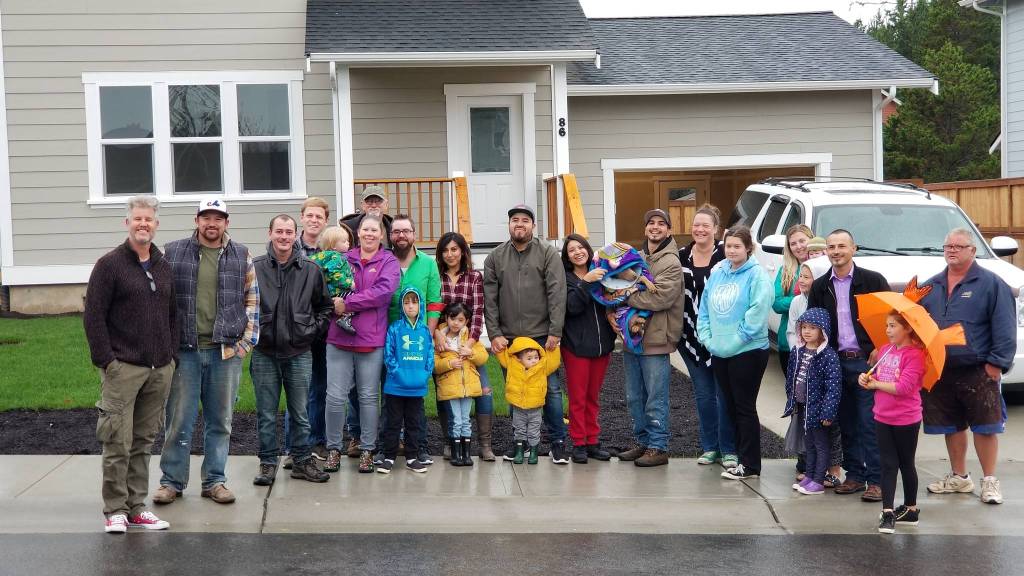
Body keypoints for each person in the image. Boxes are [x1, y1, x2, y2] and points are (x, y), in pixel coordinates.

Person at [155, 198, 259, 507]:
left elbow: (252, 301)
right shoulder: (173, 252)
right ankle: (171, 482)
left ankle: (215, 480)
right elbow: (159, 300)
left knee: (221, 422)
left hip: (224, 353)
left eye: (218, 218)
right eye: (206, 217)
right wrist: (164, 345)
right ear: (197, 220)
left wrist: (245, 344)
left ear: (227, 222)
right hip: (184, 352)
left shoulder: (241, 255)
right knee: (178, 420)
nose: (212, 223)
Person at [84, 195, 177, 534]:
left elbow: (173, 315)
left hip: (159, 369)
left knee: (143, 442)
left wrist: (171, 357)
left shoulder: (162, 266)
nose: (143, 224)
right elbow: (93, 316)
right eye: (137, 218)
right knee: (117, 442)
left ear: (156, 225)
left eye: (148, 219)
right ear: (127, 223)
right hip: (122, 368)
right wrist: (107, 361)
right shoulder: (109, 265)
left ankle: (137, 507)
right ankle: (115, 510)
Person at [920, 228, 1016, 505]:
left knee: (986, 426)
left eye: (958, 246)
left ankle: (989, 480)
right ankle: (959, 477)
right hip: (942, 369)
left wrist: (996, 364)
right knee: (952, 425)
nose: (952, 250)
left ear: (972, 251)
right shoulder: (932, 285)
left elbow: (1005, 326)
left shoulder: (991, 284)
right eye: (947, 246)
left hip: (979, 368)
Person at [807, 229, 890, 501]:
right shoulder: (820, 287)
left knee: (869, 423)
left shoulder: (873, 281)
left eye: (842, 246)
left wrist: (879, 346)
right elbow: (813, 325)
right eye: (831, 247)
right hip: (835, 364)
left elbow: (891, 318)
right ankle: (855, 475)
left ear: (853, 248)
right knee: (846, 424)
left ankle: (877, 481)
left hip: (867, 364)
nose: (836, 251)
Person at [250, 214, 333, 486]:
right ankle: (267, 462)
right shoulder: (255, 268)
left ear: (295, 234)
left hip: (298, 352)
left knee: (300, 412)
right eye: (279, 231)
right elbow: (243, 304)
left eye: (288, 232)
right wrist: (254, 333)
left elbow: (325, 307)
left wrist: (310, 332)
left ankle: (301, 460)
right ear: (270, 233)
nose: (284, 237)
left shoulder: (310, 269)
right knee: (266, 413)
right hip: (264, 352)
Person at [484, 204, 569, 464]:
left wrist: (555, 330)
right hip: (509, 339)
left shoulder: (547, 253)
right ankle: (519, 443)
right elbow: (490, 299)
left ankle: (557, 443)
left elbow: (557, 292)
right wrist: (494, 333)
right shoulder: (495, 257)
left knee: (551, 391)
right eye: (514, 220)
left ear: (533, 225)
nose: (519, 224)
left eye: (525, 220)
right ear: (509, 225)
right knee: (515, 391)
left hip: (542, 336)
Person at [323, 214, 400, 474]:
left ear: (381, 234)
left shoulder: (388, 261)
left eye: (374, 230)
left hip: (370, 340)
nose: (369, 234)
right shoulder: (343, 258)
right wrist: (333, 302)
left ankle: (368, 449)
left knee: (368, 397)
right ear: (358, 233)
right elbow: (326, 285)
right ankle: (333, 449)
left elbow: (383, 293)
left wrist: (347, 303)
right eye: (365, 229)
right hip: (339, 337)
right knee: (335, 397)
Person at [698, 225, 772, 480]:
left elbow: (757, 313)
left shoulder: (757, 275)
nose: (731, 250)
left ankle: (750, 465)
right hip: (719, 351)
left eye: (737, 246)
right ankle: (740, 459)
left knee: (744, 407)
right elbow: (704, 308)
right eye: (728, 246)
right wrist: (707, 338)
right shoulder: (718, 272)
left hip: (748, 352)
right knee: (728, 407)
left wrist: (733, 342)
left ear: (748, 248)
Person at [617, 209, 684, 468]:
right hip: (632, 337)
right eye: (651, 223)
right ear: (645, 228)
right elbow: (615, 282)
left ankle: (658, 446)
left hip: (656, 339)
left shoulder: (671, 262)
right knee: (635, 397)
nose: (655, 227)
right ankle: (643, 442)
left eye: (661, 224)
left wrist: (625, 294)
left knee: (655, 397)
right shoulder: (637, 257)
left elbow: (661, 298)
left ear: (669, 230)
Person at [677, 204, 737, 468]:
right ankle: (710, 447)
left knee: (725, 395)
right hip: (690, 336)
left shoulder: (726, 254)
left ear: (716, 229)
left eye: (705, 225)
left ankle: (730, 449)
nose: (700, 229)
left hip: (723, 337)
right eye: (696, 225)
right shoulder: (681, 256)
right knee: (704, 396)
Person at [858, 312, 927, 533]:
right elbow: (878, 377)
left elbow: (904, 387)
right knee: (887, 463)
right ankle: (887, 512)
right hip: (882, 415)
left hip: (906, 418)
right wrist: (867, 379)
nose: (887, 330)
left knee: (906, 463)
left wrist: (876, 385)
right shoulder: (885, 351)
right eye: (887, 325)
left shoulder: (915, 355)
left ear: (908, 328)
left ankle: (911, 509)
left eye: (893, 326)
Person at [385, 215, 443, 466]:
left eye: (406, 231)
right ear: (390, 236)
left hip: (417, 341)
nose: (401, 235)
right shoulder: (384, 260)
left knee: (415, 400)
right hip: (388, 337)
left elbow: (434, 302)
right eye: (396, 231)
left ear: (414, 234)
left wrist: (427, 335)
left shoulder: (428, 264)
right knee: (390, 397)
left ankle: (419, 447)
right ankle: (387, 447)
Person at [436, 232, 495, 461]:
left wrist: (469, 345)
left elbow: (478, 312)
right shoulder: (436, 276)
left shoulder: (473, 277)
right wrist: (437, 336)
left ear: (462, 251)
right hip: (442, 344)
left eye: (454, 249)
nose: (450, 254)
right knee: (446, 391)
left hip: (468, 342)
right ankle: (450, 443)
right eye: (445, 250)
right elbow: (432, 309)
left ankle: (485, 444)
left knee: (484, 390)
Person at [786, 256, 844, 487]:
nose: (807, 332)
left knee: (821, 444)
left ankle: (818, 480)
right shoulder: (798, 352)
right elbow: (792, 378)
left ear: (823, 331)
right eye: (804, 328)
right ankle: (809, 476)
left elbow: (833, 386)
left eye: (813, 328)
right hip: (803, 407)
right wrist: (792, 400)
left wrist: (827, 412)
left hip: (820, 410)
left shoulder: (827, 355)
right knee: (808, 444)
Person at [284, 197, 332, 468]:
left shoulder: (330, 249)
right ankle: (293, 447)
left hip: (324, 329)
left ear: (325, 221)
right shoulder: (289, 247)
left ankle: (316, 441)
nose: (314, 220)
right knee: (297, 390)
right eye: (310, 215)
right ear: (302, 217)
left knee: (321, 388)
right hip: (295, 330)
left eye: (319, 217)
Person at [562, 234, 616, 464]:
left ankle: (593, 441)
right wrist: (586, 282)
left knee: (593, 397)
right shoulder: (565, 278)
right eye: (572, 250)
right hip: (576, 346)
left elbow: (613, 300)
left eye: (581, 247)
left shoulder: (602, 272)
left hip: (602, 345)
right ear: (567, 256)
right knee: (578, 398)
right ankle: (578, 443)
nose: (577, 252)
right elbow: (572, 307)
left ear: (588, 249)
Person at [378, 287, 433, 474]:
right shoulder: (394, 328)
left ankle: (412, 457)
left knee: (413, 423)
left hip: (416, 387)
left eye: (414, 302)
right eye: (406, 302)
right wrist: (399, 375)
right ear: (401, 305)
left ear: (420, 305)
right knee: (393, 422)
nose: (410, 306)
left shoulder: (425, 330)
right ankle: (388, 457)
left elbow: (429, 356)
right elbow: (389, 355)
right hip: (396, 386)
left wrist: (424, 375)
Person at [434, 302, 489, 466]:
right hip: (450, 388)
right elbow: (434, 364)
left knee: (465, 420)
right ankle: (455, 454)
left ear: (466, 321)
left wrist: (471, 353)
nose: (455, 323)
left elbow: (483, 357)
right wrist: (449, 364)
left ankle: (466, 455)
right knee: (456, 421)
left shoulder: (469, 339)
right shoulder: (440, 340)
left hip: (468, 388)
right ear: (446, 318)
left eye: (460, 320)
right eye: (452, 319)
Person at [497, 337, 562, 464]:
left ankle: (533, 453)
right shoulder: (512, 365)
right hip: (518, 407)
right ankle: (520, 452)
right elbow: (504, 357)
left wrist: (553, 349)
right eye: (529, 358)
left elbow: (554, 363)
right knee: (519, 430)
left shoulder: (542, 367)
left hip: (535, 408)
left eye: (536, 357)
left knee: (534, 431)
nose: (534, 361)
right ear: (519, 359)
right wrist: (501, 348)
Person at [590, 243, 657, 353]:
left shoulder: (636, 264)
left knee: (641, 310)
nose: (632, 273)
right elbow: (606, 297)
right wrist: (611, 300)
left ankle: (639, 320)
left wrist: (646, 282)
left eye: (629, 268)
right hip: (621, 308)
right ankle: (633, 326)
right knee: (621, 317)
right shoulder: (609, 282)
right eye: (625, 270)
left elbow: (640, 279)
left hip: (638, 305)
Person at [772, 224, 813, 375]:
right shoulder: (786, 271)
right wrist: (801, 298)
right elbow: (776, 303)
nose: (798, 246)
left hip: (817, 342)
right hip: (789, 341)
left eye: (802, 241)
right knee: (792, 387)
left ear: (811, 240)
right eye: (793, 243)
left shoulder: (822, 267)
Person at [309, 225, 357, 333]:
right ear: (334, 246)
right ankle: (345, 318)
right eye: (344, 241)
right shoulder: (336, 256)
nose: (348, 243)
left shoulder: (322, 256)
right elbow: (335, 274)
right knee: (356, 297)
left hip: (327, 292)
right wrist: (350, 284)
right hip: (336, 291)